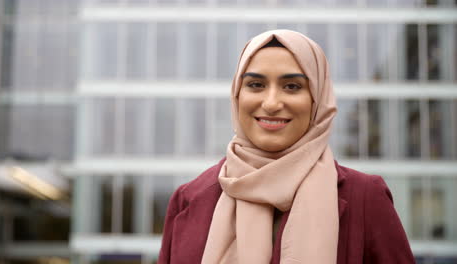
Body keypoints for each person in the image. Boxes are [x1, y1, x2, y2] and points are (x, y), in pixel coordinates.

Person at [158, 29, 415, 264]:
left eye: (292, 86)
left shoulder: (366, 198)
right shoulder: (190, 199)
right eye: (256, 84)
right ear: (237, 95)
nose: (271, 103)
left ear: (317, 99)